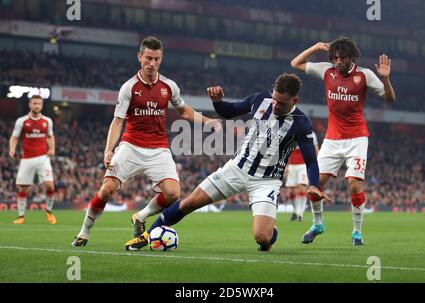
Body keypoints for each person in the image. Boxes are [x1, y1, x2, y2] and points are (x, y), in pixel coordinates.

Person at [124, 73, 331, 252]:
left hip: (266, 182)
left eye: (282, 103)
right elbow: (228, 111)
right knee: (189, 203)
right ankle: (146, 236)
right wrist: (217, 102)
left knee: (262, 237)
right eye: (275, 99)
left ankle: (269, 233)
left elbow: (311, 161)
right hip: (236, 169)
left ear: (295, 100)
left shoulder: (301, 123)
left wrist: (313, 184)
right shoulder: (260, 99)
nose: (275, 105)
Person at [71, 36, 221, 247]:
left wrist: (207, 121)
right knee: (106, 190)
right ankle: (84, 232)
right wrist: (108, 150)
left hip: (158, 147)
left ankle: (140, 216)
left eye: (157, 59)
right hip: (131, 145)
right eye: (148, 58)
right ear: (140, 57)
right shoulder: (129, 87)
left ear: (161, 59)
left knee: (172, 193)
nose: (152, 63)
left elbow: (183, 111)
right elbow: (117, 121)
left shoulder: (169, 86)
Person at [290, 37, 396, 246]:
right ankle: (318, 224)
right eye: (335, 57)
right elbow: (295, 64)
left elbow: (389, 98)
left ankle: (357, 232)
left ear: (352, 57)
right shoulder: (327, 71)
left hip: (357, 139)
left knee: (354, 186)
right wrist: (316, 47)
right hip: (332, 139)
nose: (338, 61)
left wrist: (385, 79)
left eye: (342, 58)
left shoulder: (365, 75)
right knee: (315, 185)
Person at [9, 95, 57, 224]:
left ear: (41, 106)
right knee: (23, 188)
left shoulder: (47, 121)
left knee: (49, 185)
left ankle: (48, 212)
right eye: (34, 103)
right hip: (27, 158)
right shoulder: (22, 121)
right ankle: (21, 217)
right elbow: (14, 137)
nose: (37, 106)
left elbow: (50, 136)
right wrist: (12, 148)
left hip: (43, 158)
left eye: (39, 104)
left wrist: (52, 148)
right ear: (30, 105)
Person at [284, 131, 319, 222]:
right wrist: (286, 166)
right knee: (292, 191)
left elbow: (316, 149)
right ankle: (295, 211)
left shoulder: (311, 133)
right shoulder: (290, 131)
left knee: (302, 187)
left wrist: (317, 163)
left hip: (304, 164)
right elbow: (286, 150)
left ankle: (300, 212)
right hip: (292, 165)